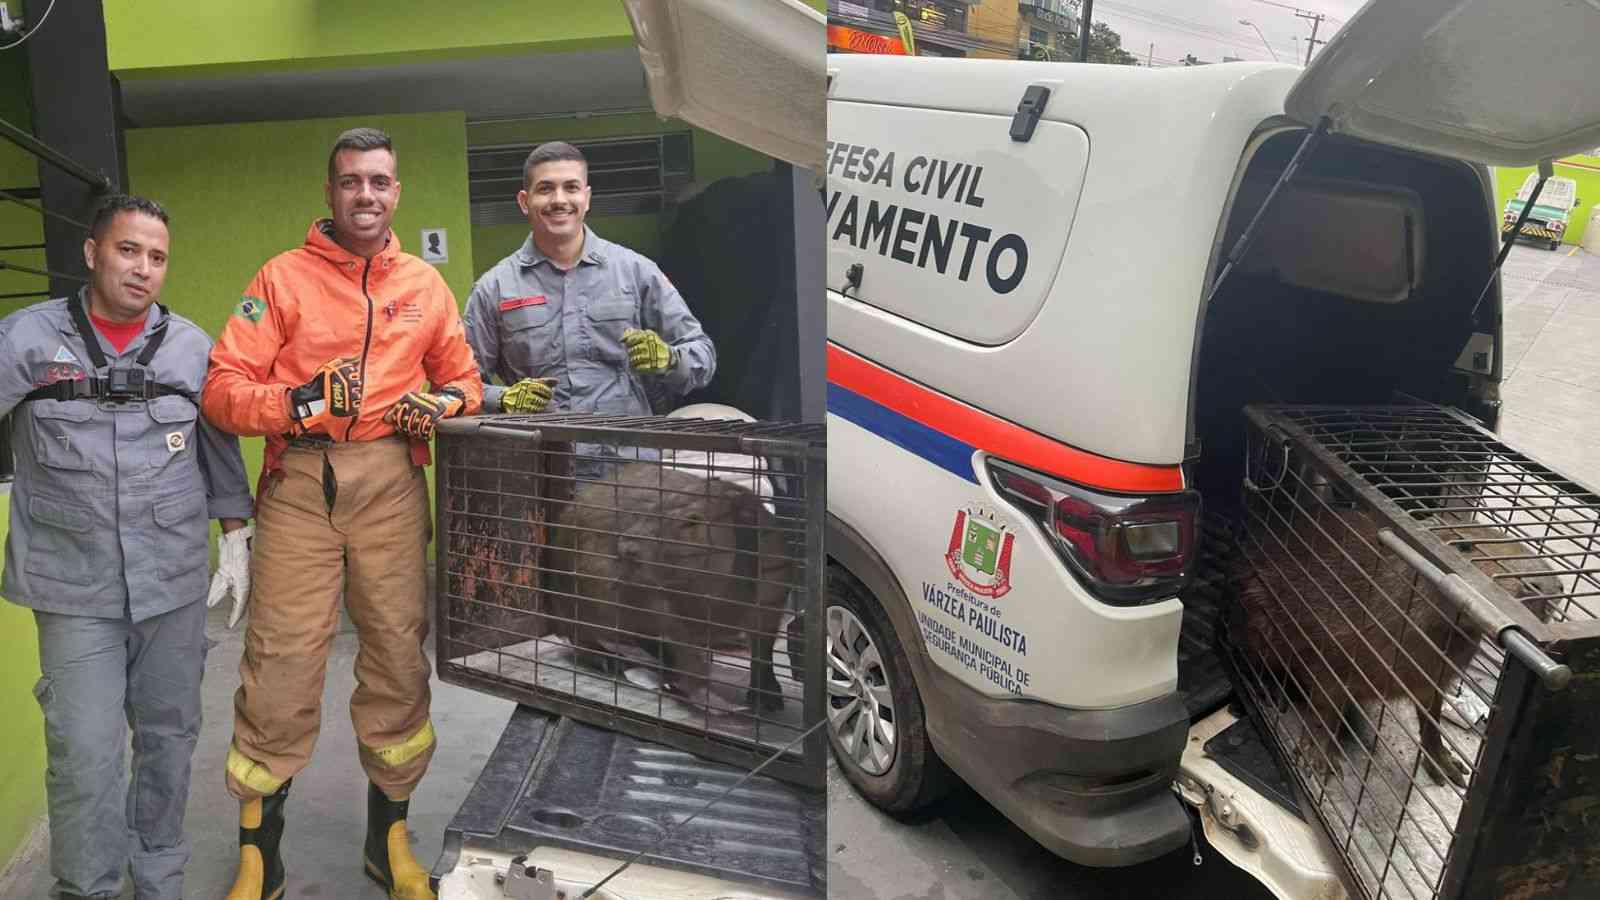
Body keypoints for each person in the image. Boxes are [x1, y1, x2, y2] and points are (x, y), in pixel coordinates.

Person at [201, 127, 483, 900]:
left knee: (396, 654)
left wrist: (444, 404)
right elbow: (222, 391)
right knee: (281, 660)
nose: (366, 195)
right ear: (328, 194)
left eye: (380, 182)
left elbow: (467, 382)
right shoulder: (282, 279)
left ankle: (386, 839)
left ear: (397, 193)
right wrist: (296, 401)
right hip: (299, 483)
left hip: (392, 482)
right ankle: (260, 853)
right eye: (351, 181)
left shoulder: (424, 286)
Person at [0, 194, 254, 900]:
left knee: (170, 740)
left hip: (171, 582)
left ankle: (159, 876)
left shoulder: (190, 347)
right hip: (71, 585)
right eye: (127, 250)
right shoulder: (25, 340)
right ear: (92, 253)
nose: (143, 268)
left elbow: (219, 449)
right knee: (85, 752)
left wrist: (237, 538)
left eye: (157, 257)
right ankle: (89, 887)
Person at [462, 141, 715, 476]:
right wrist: (503, 399)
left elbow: (703, 355)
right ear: (525, 201)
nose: (559, 200)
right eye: (545, 189)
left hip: (633, 470)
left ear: (587, 198)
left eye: (571, 187)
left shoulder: (636, 271)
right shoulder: (494, 288)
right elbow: (459, 383)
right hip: (541, 473)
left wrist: (669, 358)